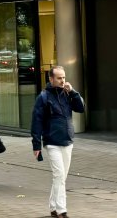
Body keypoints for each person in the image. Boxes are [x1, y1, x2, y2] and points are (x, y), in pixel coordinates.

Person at [30, 66, 85, 218]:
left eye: (64, 77)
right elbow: (36, 122)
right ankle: (61, 210)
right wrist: (36, 145)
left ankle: (53, 206)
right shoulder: (43, 97)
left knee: (61, 177)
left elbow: (81, 108)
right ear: (51, 79)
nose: (62, 81)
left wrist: (73, 92)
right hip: (52, 142)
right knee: (59, 175)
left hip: (67, 141)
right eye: (59, 78)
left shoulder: (67, 94)